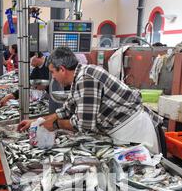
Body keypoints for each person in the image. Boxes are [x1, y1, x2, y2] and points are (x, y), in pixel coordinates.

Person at [18, 47, 162, 153]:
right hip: (120, 130)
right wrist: (38, 122)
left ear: (62, 69)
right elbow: (67, 109)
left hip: (133, 132)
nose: (53, 77)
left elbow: (84, 125)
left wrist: (55, 125)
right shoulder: (80, 76)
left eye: (53, 72)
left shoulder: (86, 78)